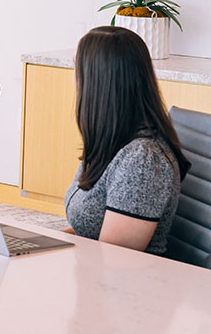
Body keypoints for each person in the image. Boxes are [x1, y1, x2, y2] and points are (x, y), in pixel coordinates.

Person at [64, 26, 189, 254]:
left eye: (77, 68)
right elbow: (88, 229)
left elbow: (114, 261)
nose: (74, 78)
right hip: (90, 271)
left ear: (97, 83)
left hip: (124, 284)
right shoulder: (111, 139)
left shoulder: (141, 161)